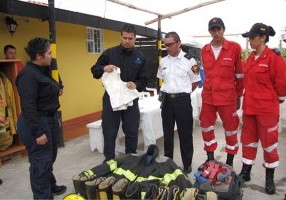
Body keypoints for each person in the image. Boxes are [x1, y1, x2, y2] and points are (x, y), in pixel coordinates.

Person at [15, 37, 66, 199]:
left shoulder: (44, 69)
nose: (52, 56)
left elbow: (56, 83)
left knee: (49, 158)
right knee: (40, 162)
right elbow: (28, 106)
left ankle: (50, 186)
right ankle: (43, 196)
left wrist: (55, 116)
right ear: (38, 56)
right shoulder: (28, 75)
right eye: (49, 53)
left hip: (49, 119)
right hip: (36, 123)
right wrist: (37, 132)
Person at [239, 23, 286, 195]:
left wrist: (271, 102)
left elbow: (282, 86)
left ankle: (269, 178)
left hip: (266, 111)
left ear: (262, 38)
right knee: (248, 142)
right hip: (250, 110)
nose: (249, 41)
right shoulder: (250, 58)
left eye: (252, 37)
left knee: (269, 145)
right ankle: (246, 172)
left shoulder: (274, 58)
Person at [91, 23, 148, 161]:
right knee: (109, 132)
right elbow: (94, 70)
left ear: (135, 38)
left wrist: (136, 84)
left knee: (132, 131)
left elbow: (145, 79)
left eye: (130, 38)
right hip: (111, 99)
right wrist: (104, 67)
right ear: (120, 37)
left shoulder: (141, 57)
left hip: (130, 99)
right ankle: (109, 161)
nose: (127, 41)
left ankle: (130, 160)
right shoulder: (109, 53)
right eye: (125, 38)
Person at [199, 17, 244, 166]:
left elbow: (239, 75)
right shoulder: (204, 50)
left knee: (231, 130)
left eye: (219, 29)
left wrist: (238, 95)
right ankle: (210, 158)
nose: (216, 32)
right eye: (213, 29)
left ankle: (230, 161)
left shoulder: (235, 48)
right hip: (209, 97)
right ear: (209, 31)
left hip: (227, 97)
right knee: (206, 127)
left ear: (224, 29)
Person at [157, 31, 201, 174]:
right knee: (167, 134)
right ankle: (168, 162)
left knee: (185, 134)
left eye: (170, 44)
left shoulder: (189, 61)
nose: (168, 48)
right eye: (166, 45)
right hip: (167, 102)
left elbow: (195, 82)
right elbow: (161, 79)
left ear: (178, 43)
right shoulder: (163, 61)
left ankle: (187, 164)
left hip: (183, 101)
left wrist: (184, 93)